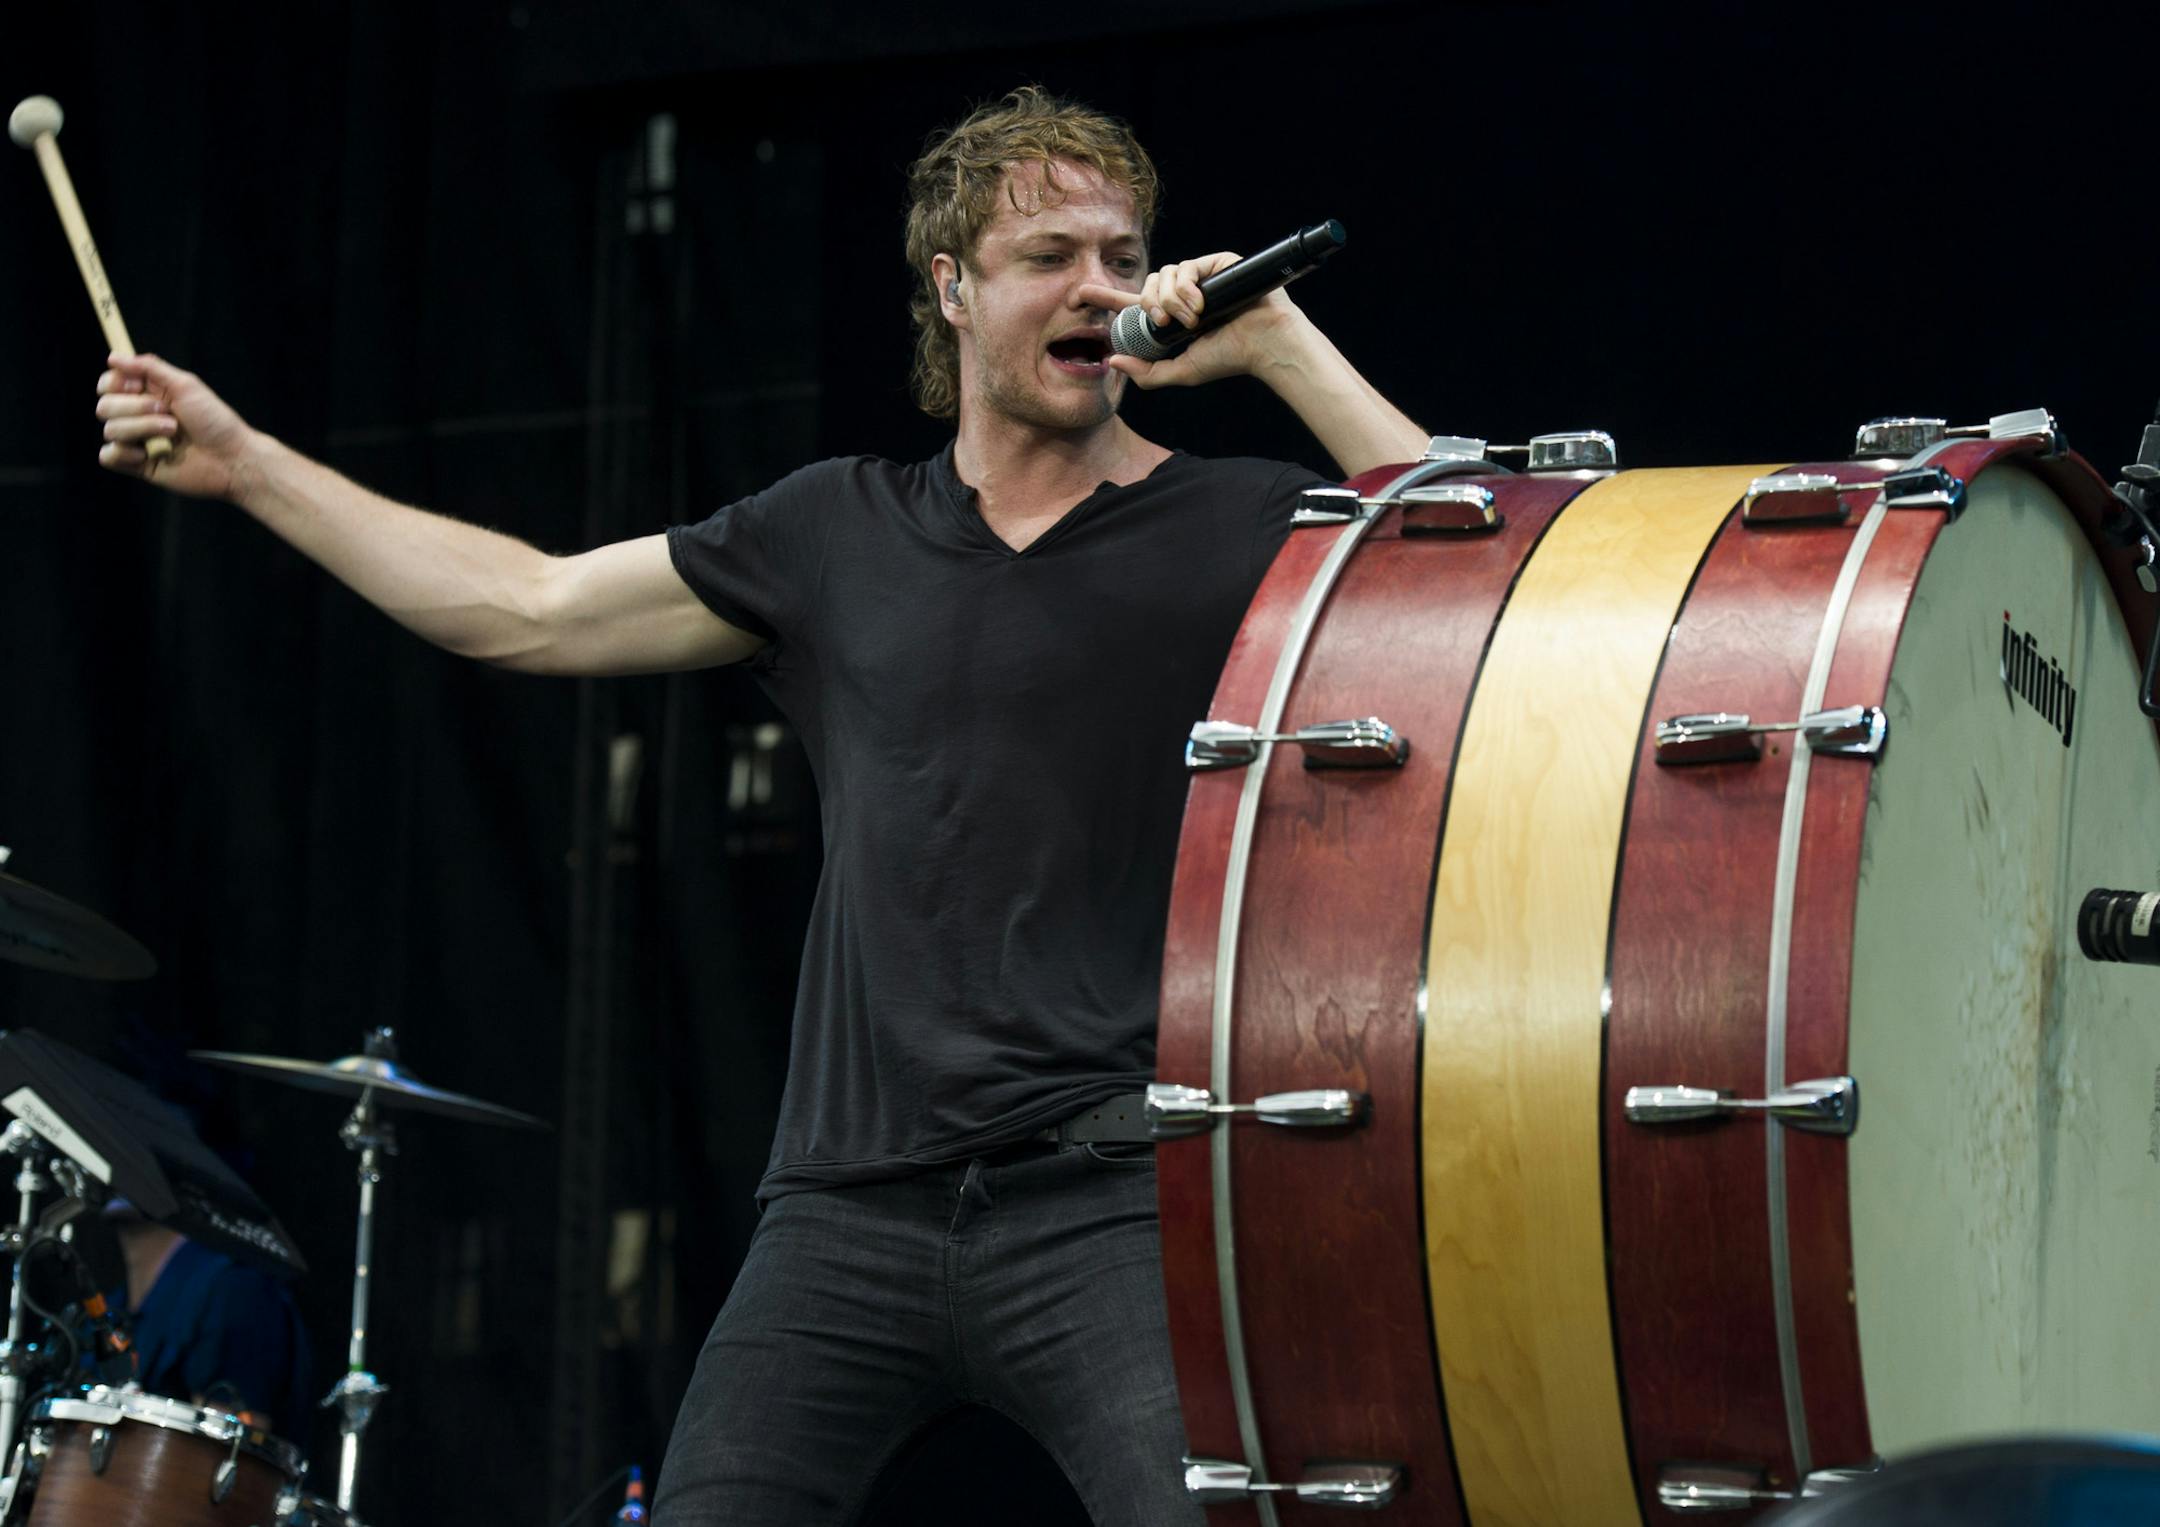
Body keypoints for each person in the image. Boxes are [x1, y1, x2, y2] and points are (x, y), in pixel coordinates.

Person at [91, 86, 1424, 1525]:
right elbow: (525, 608)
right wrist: (245, 467)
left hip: (1104, 1193)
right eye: (1049, 255)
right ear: (953, 289)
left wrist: (1281, 343)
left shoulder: (1232, 521)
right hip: (846, 1211)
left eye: (1121, 253)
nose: (1097, 287)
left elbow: (1476, 562)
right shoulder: (832, 532)